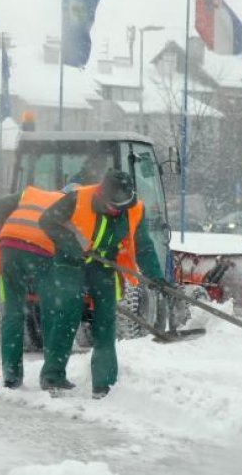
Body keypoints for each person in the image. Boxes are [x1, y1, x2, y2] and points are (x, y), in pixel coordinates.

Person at [38, 168, 167, 398]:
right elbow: (46, 220)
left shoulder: (134, 209)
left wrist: (155, 276)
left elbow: (144, 246)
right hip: (71, 263)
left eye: (121, 208)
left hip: (103, 265)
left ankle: (104, 383)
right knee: (67, 315)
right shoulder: (78, 198)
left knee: (105, 322)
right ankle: (52, 375)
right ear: (101, 195)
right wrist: (72, 246)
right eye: (112, 207)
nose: (116, 211)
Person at [0, 185, 65, 389]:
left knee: (13, 311)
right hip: (40, 250)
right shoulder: (72, 204)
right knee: (52, 310)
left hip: (9, 246)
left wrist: (2, 232)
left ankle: (11, 376)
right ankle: (50, 376)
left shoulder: (32, 194)